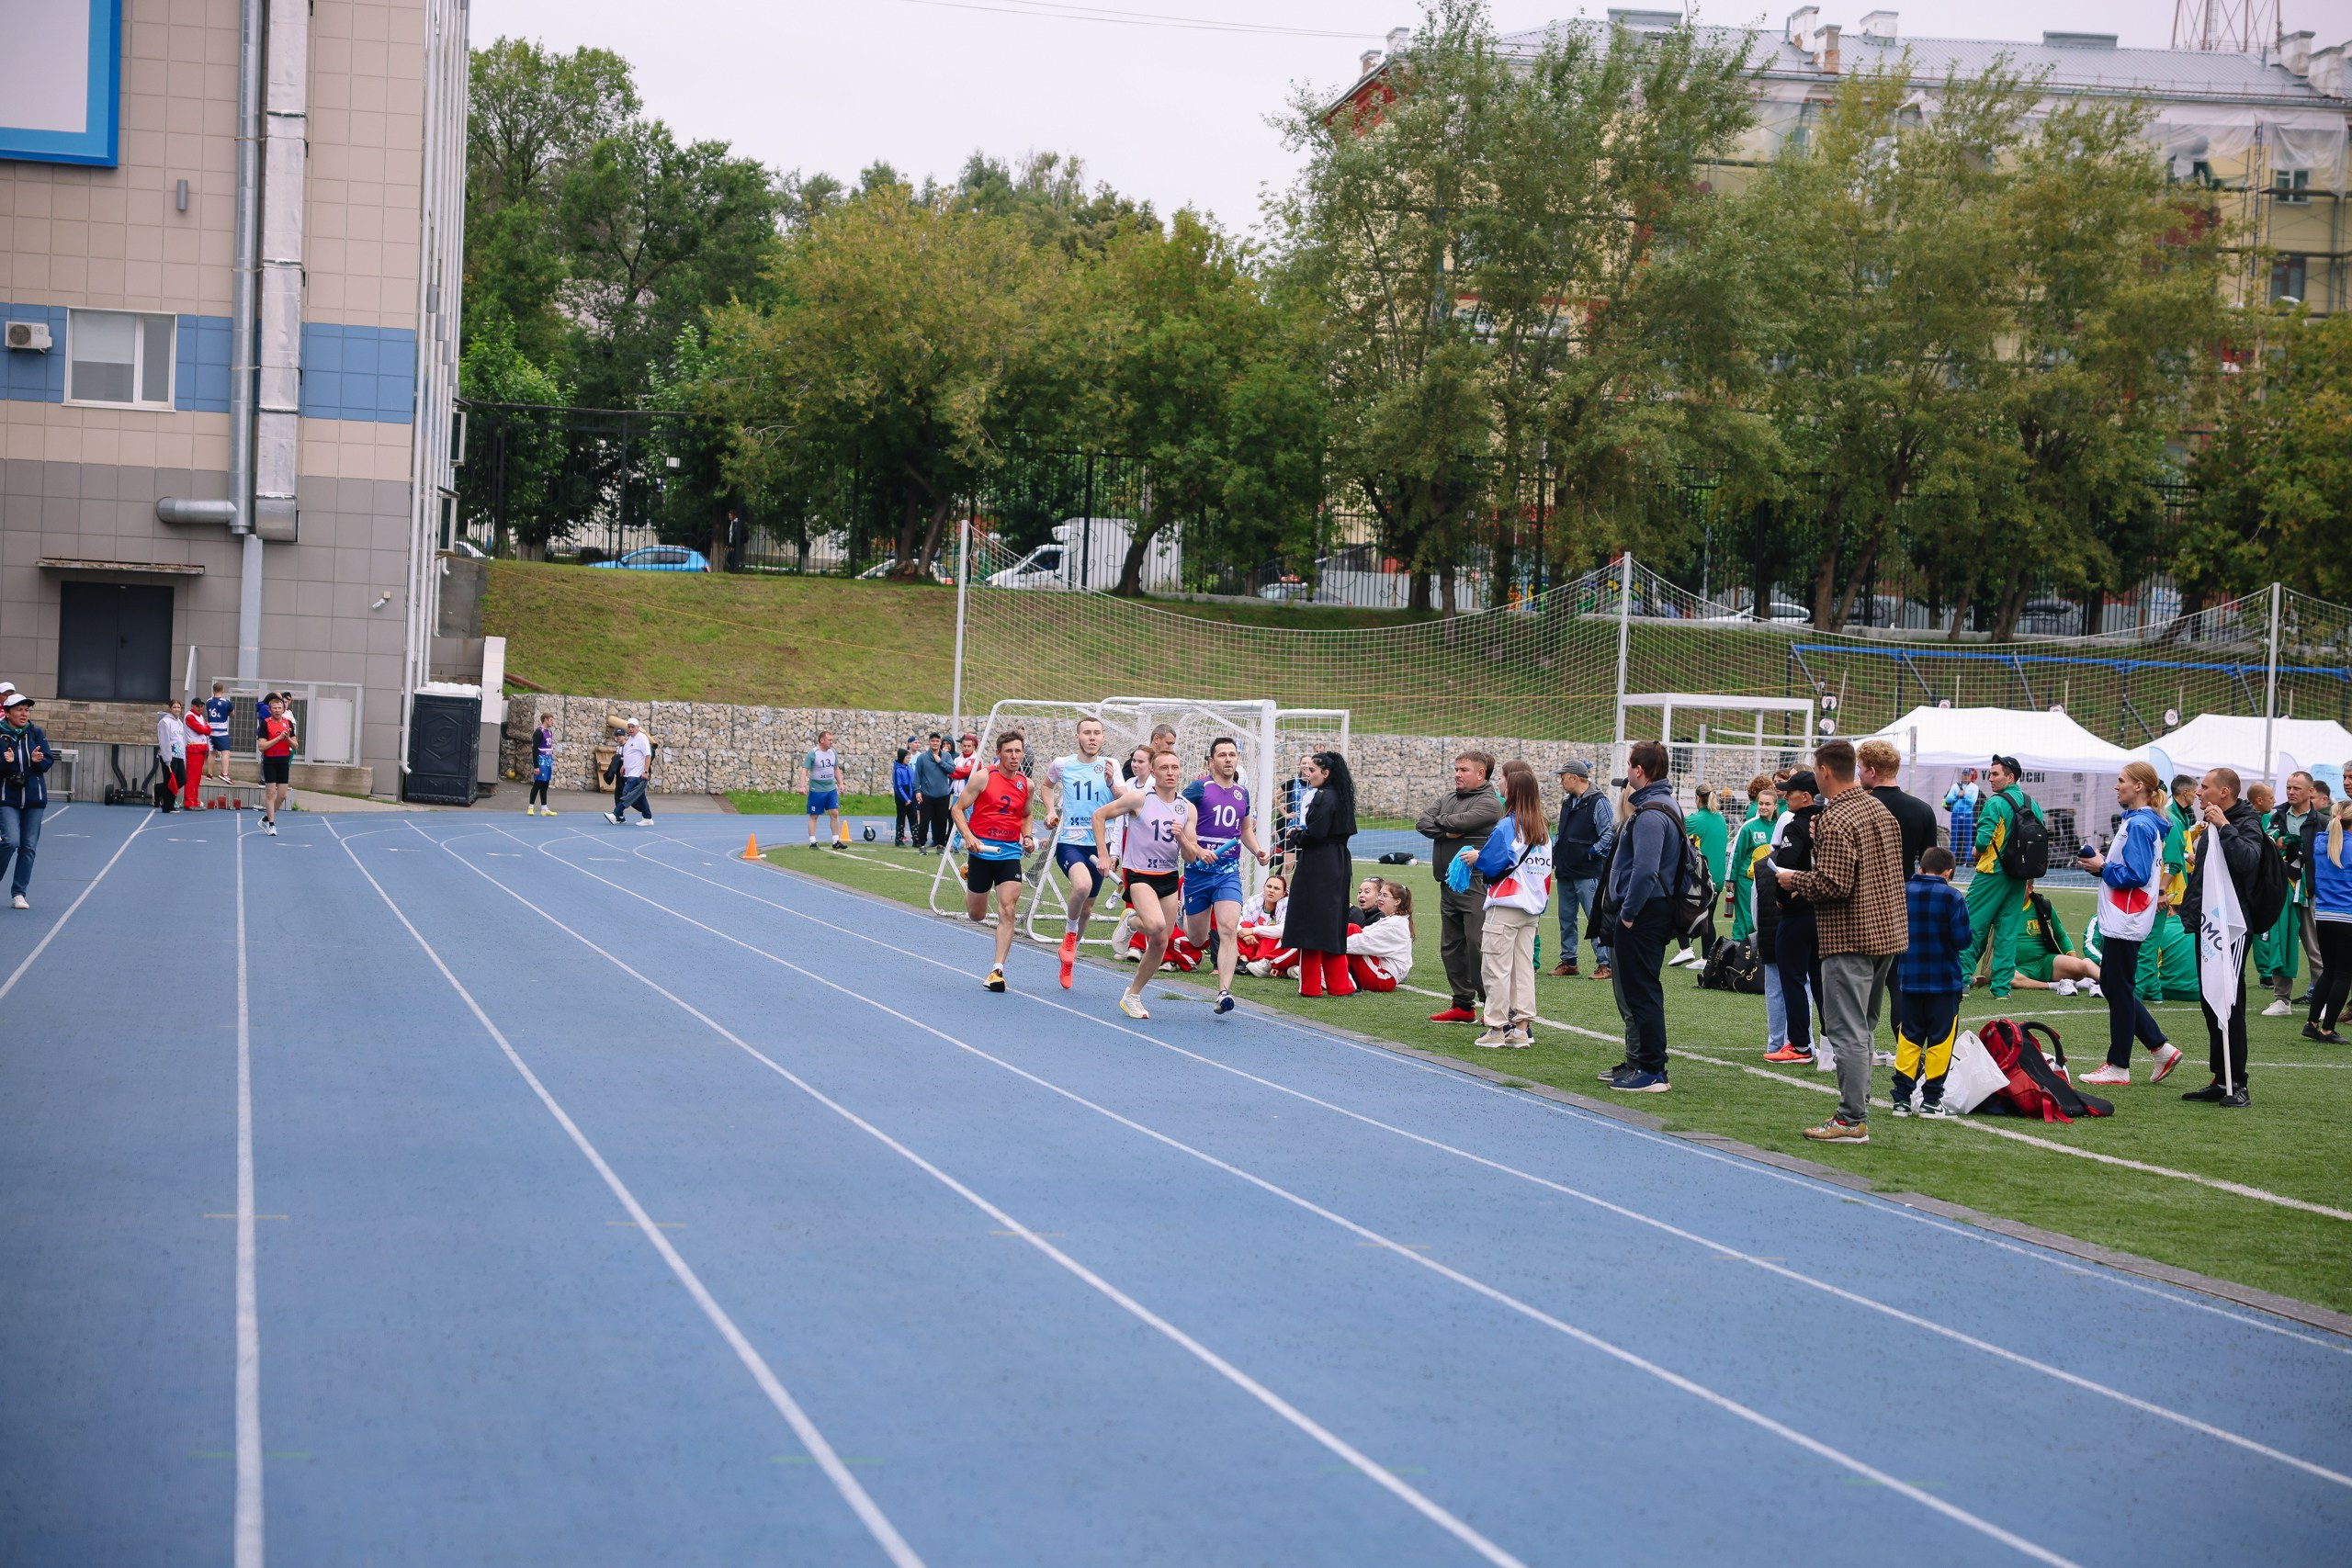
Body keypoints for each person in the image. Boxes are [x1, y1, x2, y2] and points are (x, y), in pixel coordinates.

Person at [1773, 739, 1906, 1144]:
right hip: (1887, 932)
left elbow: (1833, 883)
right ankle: (1857, 1110)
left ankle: (1851, 1119)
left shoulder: (1836, 817)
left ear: (1825, 771)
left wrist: (1791, 879)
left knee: (1847, 1031)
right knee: (1863, 1028)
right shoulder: (1878, 808)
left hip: (1850, 935)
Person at [2073, 761, 2184, 1086]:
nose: (2116, 786)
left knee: (2118, 988)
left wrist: (2102, 866)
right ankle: (2159, 1047)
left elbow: (2134, 875)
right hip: (2127, 915)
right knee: (2113, 985)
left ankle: (2119, 1065)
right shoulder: (2140, 821)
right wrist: (2101, 867)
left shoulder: (2140, 825)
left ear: (2139, 787)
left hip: (2127, 916)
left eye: (2121, 781)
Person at [2177, 768, 2266, 1108]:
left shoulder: (2245, 821)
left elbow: (2247, 861)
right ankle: (2220, 1077)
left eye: (2205, 787)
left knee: (2229, 999)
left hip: (2232, 925)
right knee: (2210, 998)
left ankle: (2238, 1081)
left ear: (2224, 792)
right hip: (2208, 923)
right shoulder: (2211, 823)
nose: (2199, 792)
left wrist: (2225, 827)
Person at [1599, 741, 1683, 1092]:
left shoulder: (1650, 814)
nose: (1628, 771)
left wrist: (1629, 914)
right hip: (1653, 909)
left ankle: (1652, 1070)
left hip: (1646, 912)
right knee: (1638, 991)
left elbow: (1645, 871)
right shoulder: (1664, 804)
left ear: (1640, 771)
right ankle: (1639, 1063)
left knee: (1642, 992)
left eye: (1631, 764)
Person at [1092, 745, 1193, 1018]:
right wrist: (1104, 853)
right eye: (1163, 767)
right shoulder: (1139, 798)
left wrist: (1182, 838)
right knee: (1156, 924)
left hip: (1168, 876)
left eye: (1174, 767)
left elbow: (1191, 856)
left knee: (1161, 940)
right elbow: (1099, 816)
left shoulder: (1187, 808)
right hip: (1138, 874)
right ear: (1153, 771)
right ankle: (1131, 921)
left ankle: (1133, 995)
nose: (1170, 772)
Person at [1466, 760, 1553, 1048]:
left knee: (1495, 968)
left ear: (1512, 788)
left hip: (1505, 905)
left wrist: (1477, 857)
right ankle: (1521, 1028)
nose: (1499, 783)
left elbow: (1492, 864)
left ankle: (1495, 1029)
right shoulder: (1542, 827)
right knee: (1523, 969)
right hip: (1531, 908)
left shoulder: (1508, 825)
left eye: (1502, 779)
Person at [1180, 737, 1269, 1014]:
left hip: (1228, 872)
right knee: (1196, 938)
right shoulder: (1198, 789)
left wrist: (1256, 851)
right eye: (1222, 755)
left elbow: (1244, 831)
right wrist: (1196, 849)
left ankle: (1223, 992)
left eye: (1232, 754)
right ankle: (1179, 911)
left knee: (1229, 928)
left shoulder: (1243, 793)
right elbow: (1178, 823)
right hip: (1198, 872)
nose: (1229, 759)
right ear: (1211, 761)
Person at [1858, 738, 1937, 1046]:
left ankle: (1855, 1051)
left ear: (1873, 771)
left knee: (1857, 981)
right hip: (1904, 904)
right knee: (1897, 983)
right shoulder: (1922, 810)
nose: (1859, 774)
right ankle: (1909, 1054)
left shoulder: (1859, 808)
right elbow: (1934, 868)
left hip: (1862, 905)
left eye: (1861, 769)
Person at [1416, 751, 1505, 1022]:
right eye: (1456, 769)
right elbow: (1422, 822)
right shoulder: (1447, 797)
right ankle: (1463, 1005)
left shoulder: (1491, 803)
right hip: (1448, 884)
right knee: (1451, 946)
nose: (1457, 774)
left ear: (1481, 773)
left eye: (1464, 770)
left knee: (1478, 944)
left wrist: (1442, 823)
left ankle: (1492, 1005)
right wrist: (1447, 832)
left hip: (1476, 882)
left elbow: (1460, 822)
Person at [954, 729, 1039, 996]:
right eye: (1009, 751)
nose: (1014, 756)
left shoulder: (1027, 784)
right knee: (976, 914)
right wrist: (968, 837)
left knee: (1008, 909)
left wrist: (1027, 836)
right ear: (999, 753)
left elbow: (1026, 815)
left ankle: (998, 969)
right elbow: (957, 809)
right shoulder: (983, 777)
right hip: (981, 853)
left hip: (1010, 854)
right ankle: (969, 872)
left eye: (1018, 751)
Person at [1890, 846, 1970, 1118]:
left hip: (1909, 980)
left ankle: (1900, 1099)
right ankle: (1931, 1101)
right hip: (1944, 983)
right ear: (1948, 872)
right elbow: (1962, 940)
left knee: (1909, 1039)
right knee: (1940, 1042)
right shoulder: (1952, 897)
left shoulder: (1903, 891)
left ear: (1921, 868)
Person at [1957, 754, 2044, 998]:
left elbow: (1984, 841)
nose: (1991, 778)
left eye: (1996, 774)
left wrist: (1976, 849)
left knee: (1970, 924)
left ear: (2011, 777)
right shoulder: (2032, 802)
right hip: (2020, 875)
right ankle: (2002, 988)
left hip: (1992, 873)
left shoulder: (1995, 803)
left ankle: (1962, 980)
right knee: (2007, 931)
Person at [1043, 716, 1120, 989]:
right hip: (1071, 842)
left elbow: (1124, 800)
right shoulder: (1062, 764)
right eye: (1087, 732)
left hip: (1101, 845)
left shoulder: (1112, 766)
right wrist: (1051, 810)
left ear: (1103, 738)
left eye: (1097, 733)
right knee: (1083, 885)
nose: (1092, 737)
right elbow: (1046, 785)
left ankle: (1069, 957)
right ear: (1078, 736)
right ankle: (1070, 934)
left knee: (1088, 907)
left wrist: (1111, 783)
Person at [1283, 750, 1360, 998]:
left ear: (1326, 773)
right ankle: (1340, 985)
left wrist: (1295, 835)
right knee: (1331, 922)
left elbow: (1315, 834)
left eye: (1313, 770)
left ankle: (1311, 986)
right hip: (1338, 863)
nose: (1308, 773)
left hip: (1318, 863)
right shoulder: (1342, 796)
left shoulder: (1322, 797)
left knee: (1310, 921)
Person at [1762, 773, 1823, 1066]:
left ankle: (1799, 1045)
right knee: (1822, 981)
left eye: (1791, 792)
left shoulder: (1795, 825)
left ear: (1806, 796)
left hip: (1798, 914)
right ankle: (1832, 1042)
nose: (1786, 796)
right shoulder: (1829, 822)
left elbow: (1784, 868)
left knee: (1793, 978)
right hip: (1825, 912)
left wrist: (1782, 898)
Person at [1550, 760, 1614, 977]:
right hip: (1566, 871)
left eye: (1563, 776)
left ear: (1575, 778)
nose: (1561, 781)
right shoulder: (1568, 803)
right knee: (1566, 918)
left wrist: (1591, 854)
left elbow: (1609, 834)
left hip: (1588, 873)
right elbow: (1560, 833)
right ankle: (1569, 962)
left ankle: (1606, 965)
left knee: (1595, 918)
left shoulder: (1599, 802)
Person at [2258, 772, 2314, 1014]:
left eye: (2297, 788)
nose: (2291, 792)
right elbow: (2264, 845)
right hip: (2281, 888)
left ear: (2310, 791)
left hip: (2310, 891)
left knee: (2315, 946)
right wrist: (2276, 843)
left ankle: (2321, 997)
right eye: (2289, 787)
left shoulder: (2321, 821)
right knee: (2280, 941)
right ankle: (2282, 999)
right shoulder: (2277, 816)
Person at [2303, 798, 2352, 1043]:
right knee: (2344, 975)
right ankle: (2327, 1029)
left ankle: (2312, 1023)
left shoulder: (2321, 841)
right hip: (2347, 917)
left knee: (2329, 972)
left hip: (2323, 915)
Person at [0, 693, 54, 909]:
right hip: (7, 798)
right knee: (10, 841)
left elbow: (47, 761)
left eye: (27, 710)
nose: (24, 714)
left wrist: (37, 761)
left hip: (34, 798)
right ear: (8, 712)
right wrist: (6, 763)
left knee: (28, 846)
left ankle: (19, 893)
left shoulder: (35, 733)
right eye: (19, 709)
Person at [2005, 885, 2105, 996]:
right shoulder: (2003, 908)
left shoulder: (2043, 907)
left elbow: (2060, 935)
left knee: (2080, 966)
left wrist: (2074, 961)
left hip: (2044, 962)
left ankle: (2078, 982)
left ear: (2030, 889)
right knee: (2008, 978)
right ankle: (2055, 985)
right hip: (2016, 966)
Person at [1668, 784, 1727, 968]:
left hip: (1701, 877)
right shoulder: (1720, 819)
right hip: (1717, 878)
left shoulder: (1695, 819)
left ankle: (1686, 948)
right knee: (1708, 918)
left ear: (1697, 799)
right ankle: (1706, 958)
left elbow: (1676, 835)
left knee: (1679, 908)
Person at [1343, 879, 1416, 992]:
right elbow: (1364, 933)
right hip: (1380, 971)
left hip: (1384, 978)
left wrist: (1332, 944)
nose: (1380, 898)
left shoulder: (1395, 924)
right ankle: (1329, 974)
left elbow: (1364, 942)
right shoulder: (1391, 920)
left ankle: (1331, 976)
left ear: (1397, 902)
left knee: (1353, 933)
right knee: (1353, 929)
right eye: (1380, 894)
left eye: (1385, 895)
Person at [798, 729, 846, 851]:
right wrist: (803, 786)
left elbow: (836, 769)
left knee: (834, 813)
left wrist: (840, 783)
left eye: (832, 740)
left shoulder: (833, 752)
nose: (832, 742)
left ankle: (836, 840)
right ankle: (812, 841)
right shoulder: (813, 753)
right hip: (817, 789)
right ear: (822, 740)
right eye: (829, 740)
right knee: (814, 815)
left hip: (830, 788)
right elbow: (805, 770)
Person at [1238, 872, 1293, 977]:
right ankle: (1244, 961)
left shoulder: (1287, 904)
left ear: (1283, 893)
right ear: (1264, 888)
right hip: (1251, 945)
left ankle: (1260, 962)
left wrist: (1254, 931)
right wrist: (1246, 934)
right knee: (1244, 924)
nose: (1271, 890)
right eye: (1269, 886)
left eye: (1276, 888)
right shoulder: (1254, 901)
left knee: (1272, 930)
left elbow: (1283, 931)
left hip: (1273, 949)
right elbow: (1237, 922)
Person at [257, 692, 296, 834]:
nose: (277, 710)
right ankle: (272, 825)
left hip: (283, 761)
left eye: (280, 708)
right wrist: (278, 738)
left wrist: (287, 739)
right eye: (275, 708)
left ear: (283, 709)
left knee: (283, 795)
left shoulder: (288, 723)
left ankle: (266, 818)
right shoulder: (265, 724)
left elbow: (296, 746)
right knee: (270, 792)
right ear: (270, 709)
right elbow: (262, 746)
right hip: (270, 761)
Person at [605, 717, 654, 825]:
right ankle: (647, 817)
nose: (631, 729)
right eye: (629, 727)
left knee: (626, 793)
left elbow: (648, 755)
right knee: (639, 796)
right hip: (629, 773)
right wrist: (624, 766)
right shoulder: (630, 739)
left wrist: (645, 771)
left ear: (637, 728)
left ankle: (616, 814)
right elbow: (629, 754)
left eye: (633, 727)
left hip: (637, 774)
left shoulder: (641, 738)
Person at [911, 733, 955, 853]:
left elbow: (952, 770)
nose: (935, 743)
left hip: (943, 795)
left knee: (941, 821)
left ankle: (940, 845)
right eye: (933, 741)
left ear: (940, 742)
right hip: (927, 794)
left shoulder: (946, 756)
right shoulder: (922, 758)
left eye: (937, 741)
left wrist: (940, 761)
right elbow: (917, 776)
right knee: (924, 821)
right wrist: (917, 791)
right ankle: (922, 844)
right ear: (929, 742)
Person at [155, 700, 187, 813]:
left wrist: (183, 755)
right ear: (170, 708)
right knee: (170, 780)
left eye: (179, 707)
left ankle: (160, 789)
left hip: (179, 755)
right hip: (169, 756)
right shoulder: (165, 722)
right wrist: (167, 759)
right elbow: (164, 741)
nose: (177, 709)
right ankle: (168, 806)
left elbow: (181, 740)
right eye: (175, 707)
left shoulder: (179, 722)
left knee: (182, 779)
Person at [1942, 770, 1982, 859]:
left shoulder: (1974, 787)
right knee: (1954, 837)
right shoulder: (1955, 786)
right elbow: (1948, 800)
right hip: (1956, 814)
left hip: (1968, 814)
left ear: (1971, 776)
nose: (1966, 777)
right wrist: (1957, 795)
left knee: (1968, 837)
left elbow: (1972, 802)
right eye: (1964, 775)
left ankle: (1969, 859)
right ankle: (1952, 858)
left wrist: (1964, 796)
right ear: (1962, 775)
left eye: (1968, 775)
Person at [181, 694, 210, 810]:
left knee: (197, 778)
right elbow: (202, 729)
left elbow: (206, 729)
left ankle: (194, 801)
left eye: (201, 706)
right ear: (192, 706)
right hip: (194, 750)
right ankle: (189, 802)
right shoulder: (190, 716)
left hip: (200, 750)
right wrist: (206, 728)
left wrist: (206, 729)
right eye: (198, 706)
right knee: (192, 778)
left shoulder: (199, 717)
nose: (200, 708)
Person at [204, 681, 236, 783]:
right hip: (222, 731)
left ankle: (209, 774)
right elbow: (232, 714)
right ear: (222, 690)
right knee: (226, 753)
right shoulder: (226, 702)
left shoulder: (208, 701)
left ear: (213, 690)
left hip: (211, 731)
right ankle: (224, 773)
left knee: (212, 753)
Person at [527, 712, 557, 815]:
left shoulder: (549, 732)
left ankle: (544, 808)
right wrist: (536, 766)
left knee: (545, 784)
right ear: (545, 720)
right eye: (551, 720)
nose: (552, 722)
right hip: (541, 760)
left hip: (548, 760)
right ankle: (531, 807)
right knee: (538, 783)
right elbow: (535, 749)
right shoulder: (539, 732)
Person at [891, 746, 918, 846]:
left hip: (911, 797)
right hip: (902, 798)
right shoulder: (897, 770)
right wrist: (905, 799)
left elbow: (913, 783)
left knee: (913, 818)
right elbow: (898, 786)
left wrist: (912, 796)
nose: (909, 759)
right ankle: (899, 839)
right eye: (907, 757)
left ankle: (916, 839)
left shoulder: (910, 769)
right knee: (901, 818)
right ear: (902, 757)